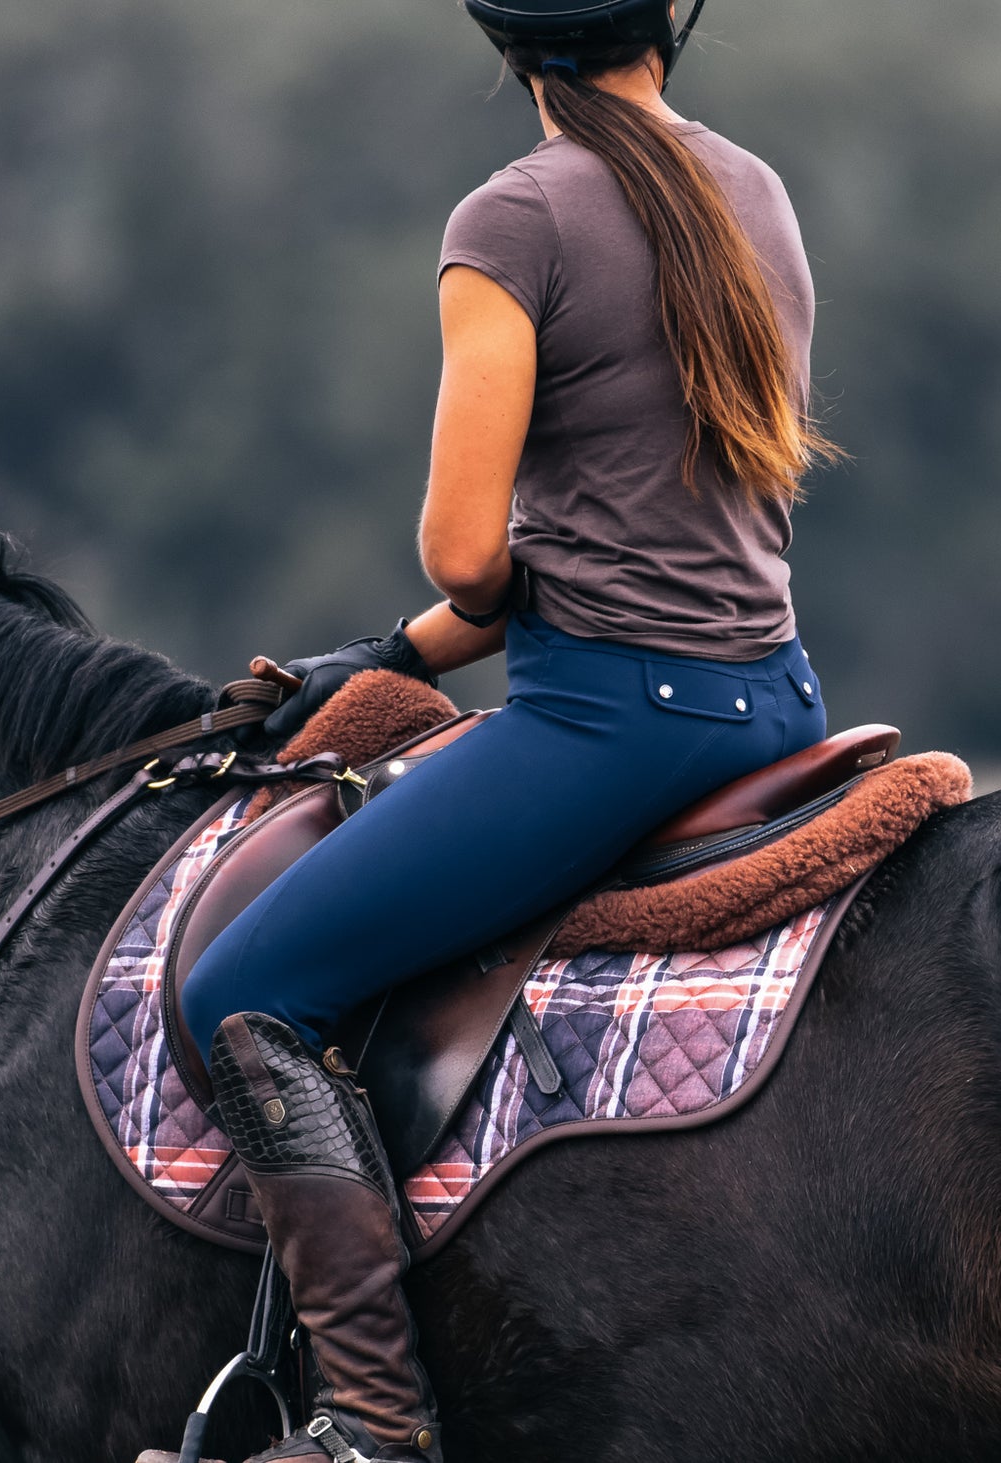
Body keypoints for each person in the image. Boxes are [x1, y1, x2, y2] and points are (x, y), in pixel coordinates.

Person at [185, 3, 842, 1458]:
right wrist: (384, 660)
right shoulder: (754, 190)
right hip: (774, 697)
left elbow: (473, 555)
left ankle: (370, 1424)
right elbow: (642, 539)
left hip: (613, 723)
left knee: (246, 992)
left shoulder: (514, 217)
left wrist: (431, 614)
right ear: (667, 24)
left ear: (512, 45)